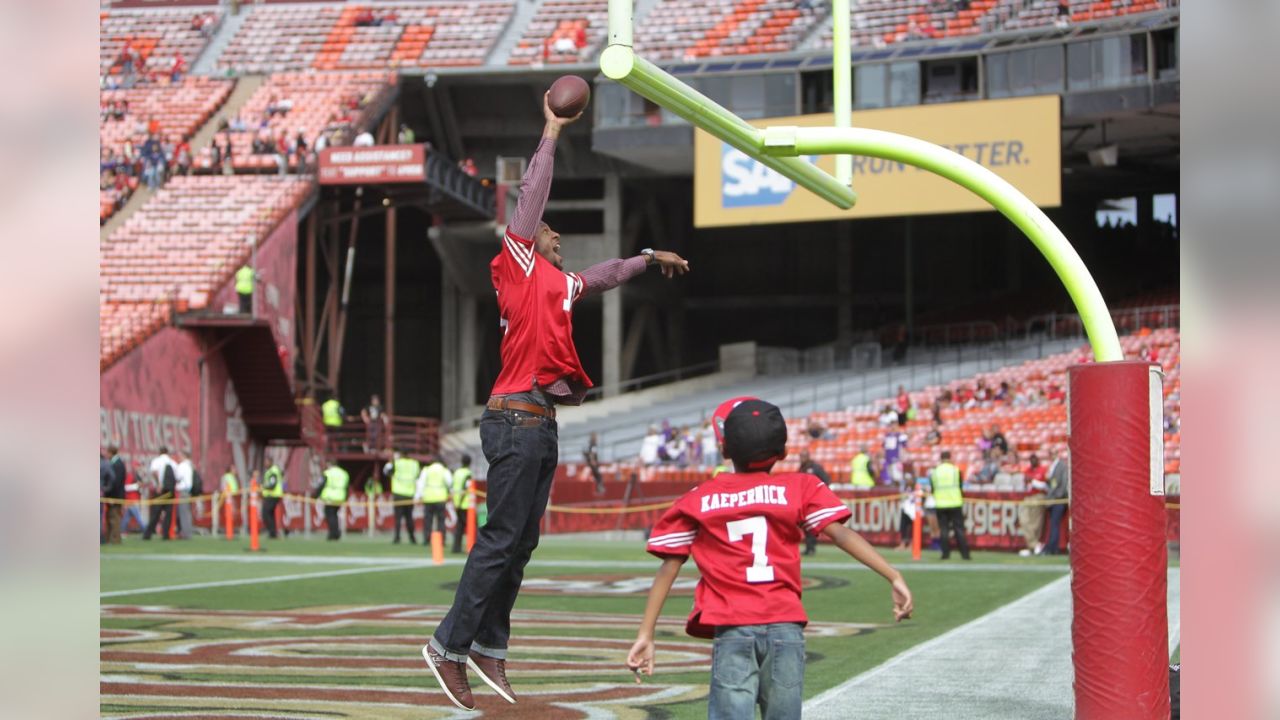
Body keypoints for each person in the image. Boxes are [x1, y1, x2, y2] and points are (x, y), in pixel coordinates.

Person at [421, 92, 690, 711]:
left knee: (523, 542)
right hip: (514, 417)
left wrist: (648, 258)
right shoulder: (516, 263)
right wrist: (551, 130)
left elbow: (605, 275)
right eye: (547, 228)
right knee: (501, 538)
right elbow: (532, 197)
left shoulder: (560, 283)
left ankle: (489, 646)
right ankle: (447, 646)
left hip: (539, 424)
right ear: (524, 237)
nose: (557, 231)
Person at [625, 398, 913, 719]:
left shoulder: (699, 498)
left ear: (725, 451)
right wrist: (893, 575)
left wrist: (645, 634)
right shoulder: (801, 487)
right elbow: (842, 534)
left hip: (733, 627)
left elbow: (669, 566)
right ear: (784, 452)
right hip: (785, 628)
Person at [931, 451, 970, 560]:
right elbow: (961, 486)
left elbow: (933, 488)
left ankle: (945, 554)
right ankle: (965, 554)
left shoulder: (935, 472)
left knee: (944, 530)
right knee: (959, 529)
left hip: (940, 503)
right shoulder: (955, 470)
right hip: (955, 503)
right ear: (950, 458)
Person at [797, 450, 832, 556]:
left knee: (812, 524)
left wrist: (819, 493)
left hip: (813, 499)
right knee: (806, 525)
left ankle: (811, 547)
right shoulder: (801, 468)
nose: (801, 458)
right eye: (801, 456)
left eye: (803, 456)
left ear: (808, 456)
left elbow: (826, 480)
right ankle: (809, 547)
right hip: (804, 500)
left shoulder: (815, 467)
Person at [385, 450, 420, 544]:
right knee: (409, 517)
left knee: (398, 518)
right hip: (409, 494)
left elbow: (387, 472)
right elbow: (417, 476)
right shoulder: (414, 463)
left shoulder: (396, 462)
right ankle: (412, 538)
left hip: (398, 493)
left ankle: (397, 537)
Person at [143, 448, 177, 540]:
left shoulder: (157, 461)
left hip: (160, 491)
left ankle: (148, 534)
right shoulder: (172, 462)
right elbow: (176, 477)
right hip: (170, 491)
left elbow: (154, 472)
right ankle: (165, 534)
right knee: (168, 514)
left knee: (155, 513)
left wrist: (159, 484)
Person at [417, 455, 452, 546]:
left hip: (428, 498)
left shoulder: (426, 470)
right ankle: (442, 540)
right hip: (440, 498)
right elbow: (449, 482)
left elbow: (421, 483)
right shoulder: (444, 470)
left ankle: (427, 539)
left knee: (428, 520)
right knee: (441, 520)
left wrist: (420, 495)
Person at [1018, 454, 1049, 556]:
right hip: (1028, 497)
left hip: (1038, 496)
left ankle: (1032, 546)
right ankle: (1035, 545)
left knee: (1035, 523)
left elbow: (1045, 486)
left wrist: (1033, 481)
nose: (1032, 461)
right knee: (1024, 520)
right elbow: (1025, 486)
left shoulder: (1042, 470)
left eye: (1034, 459)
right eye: (1031, 459)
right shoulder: (1027, 470)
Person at [315, 459, 350, 541]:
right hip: (340, 497)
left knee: (330, 516)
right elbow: (347, 487)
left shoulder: (328, 473)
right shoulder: (344, 473)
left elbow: (321, 485)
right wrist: (346, 497)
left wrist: (316, 495)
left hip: (330, 498)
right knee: (334, 515)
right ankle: (336, 532)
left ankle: (333, 533)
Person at [1044, 448, 1070, 555]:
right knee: (1053, 524)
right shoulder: (1052, 466)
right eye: (1050, 453)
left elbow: (1063, 484)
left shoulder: (1061, 466)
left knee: (1055, 524)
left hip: (1057, 500)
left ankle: (1052, 547)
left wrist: (1058, 496)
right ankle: (1052, 547)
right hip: (1052, 499)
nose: (1051, 455)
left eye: (1053, 453)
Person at [102, 446, 126, 544]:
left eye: (107, 453)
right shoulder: (114, 463)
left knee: (114, 518)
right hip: (113, 496)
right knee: (110, 517)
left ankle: (115, 539)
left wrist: (111, 496)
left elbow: (116, 483)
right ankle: (110, 538)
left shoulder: (118, 464)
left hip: (115, 497)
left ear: (111, 453)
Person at [451, 454, 475, 553]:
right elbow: (465, 489)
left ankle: (456, 548)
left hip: (456, 502)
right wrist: (460, 503)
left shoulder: (456, 472)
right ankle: (471, 546)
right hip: (465, 504)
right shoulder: (468, 474)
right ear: (470, 463)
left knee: (459, 526)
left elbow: (453, 487)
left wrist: (456, 503)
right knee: (471, 526)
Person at [173, 451, 195, 539]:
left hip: (182, 491)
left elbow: (178, 477)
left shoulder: (182, 466)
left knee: (183, 513)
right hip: (187, 491)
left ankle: (185, 533)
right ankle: (186, 531)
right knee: (186, 513)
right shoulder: (190, 466)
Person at [261, 459, 284, 539]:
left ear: (270, 462)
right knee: (270, 514)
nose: (265, 464)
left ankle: (272, 532)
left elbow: (272, 484)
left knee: (265, 513)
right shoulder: (271, 471)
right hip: (272, 495)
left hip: (273, 495)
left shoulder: (273, 471)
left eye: (267, 462)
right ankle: (273, 533)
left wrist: (264, 487)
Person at [220, 465, 240, 537]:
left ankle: (231, 529)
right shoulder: (227, 476)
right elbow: (224, 486)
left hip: (232, 496)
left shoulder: (232, 477)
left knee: (232, 513)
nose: (235, 470)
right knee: (230, 513)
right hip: (229, 497)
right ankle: (228, 530)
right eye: (234, 469)